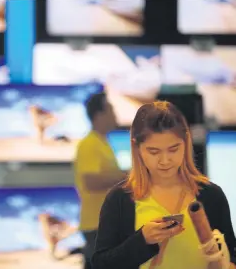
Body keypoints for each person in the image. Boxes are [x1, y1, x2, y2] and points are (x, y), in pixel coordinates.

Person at [92, 101, 236, 269]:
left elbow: (232, 252)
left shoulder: (211, 195)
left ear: (186, 142)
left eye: (174, 149)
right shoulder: (120, 199)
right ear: (137, 148)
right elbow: (101, 264)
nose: (165, 161)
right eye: (154, 152)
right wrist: (142, 240)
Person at [74, 92, 128, 269]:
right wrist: (124, 176)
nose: (115, 115)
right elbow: (91, 181)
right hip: (96, 225)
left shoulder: (102, 143)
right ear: (99, 115)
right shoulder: (89, 144)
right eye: (111, 110)